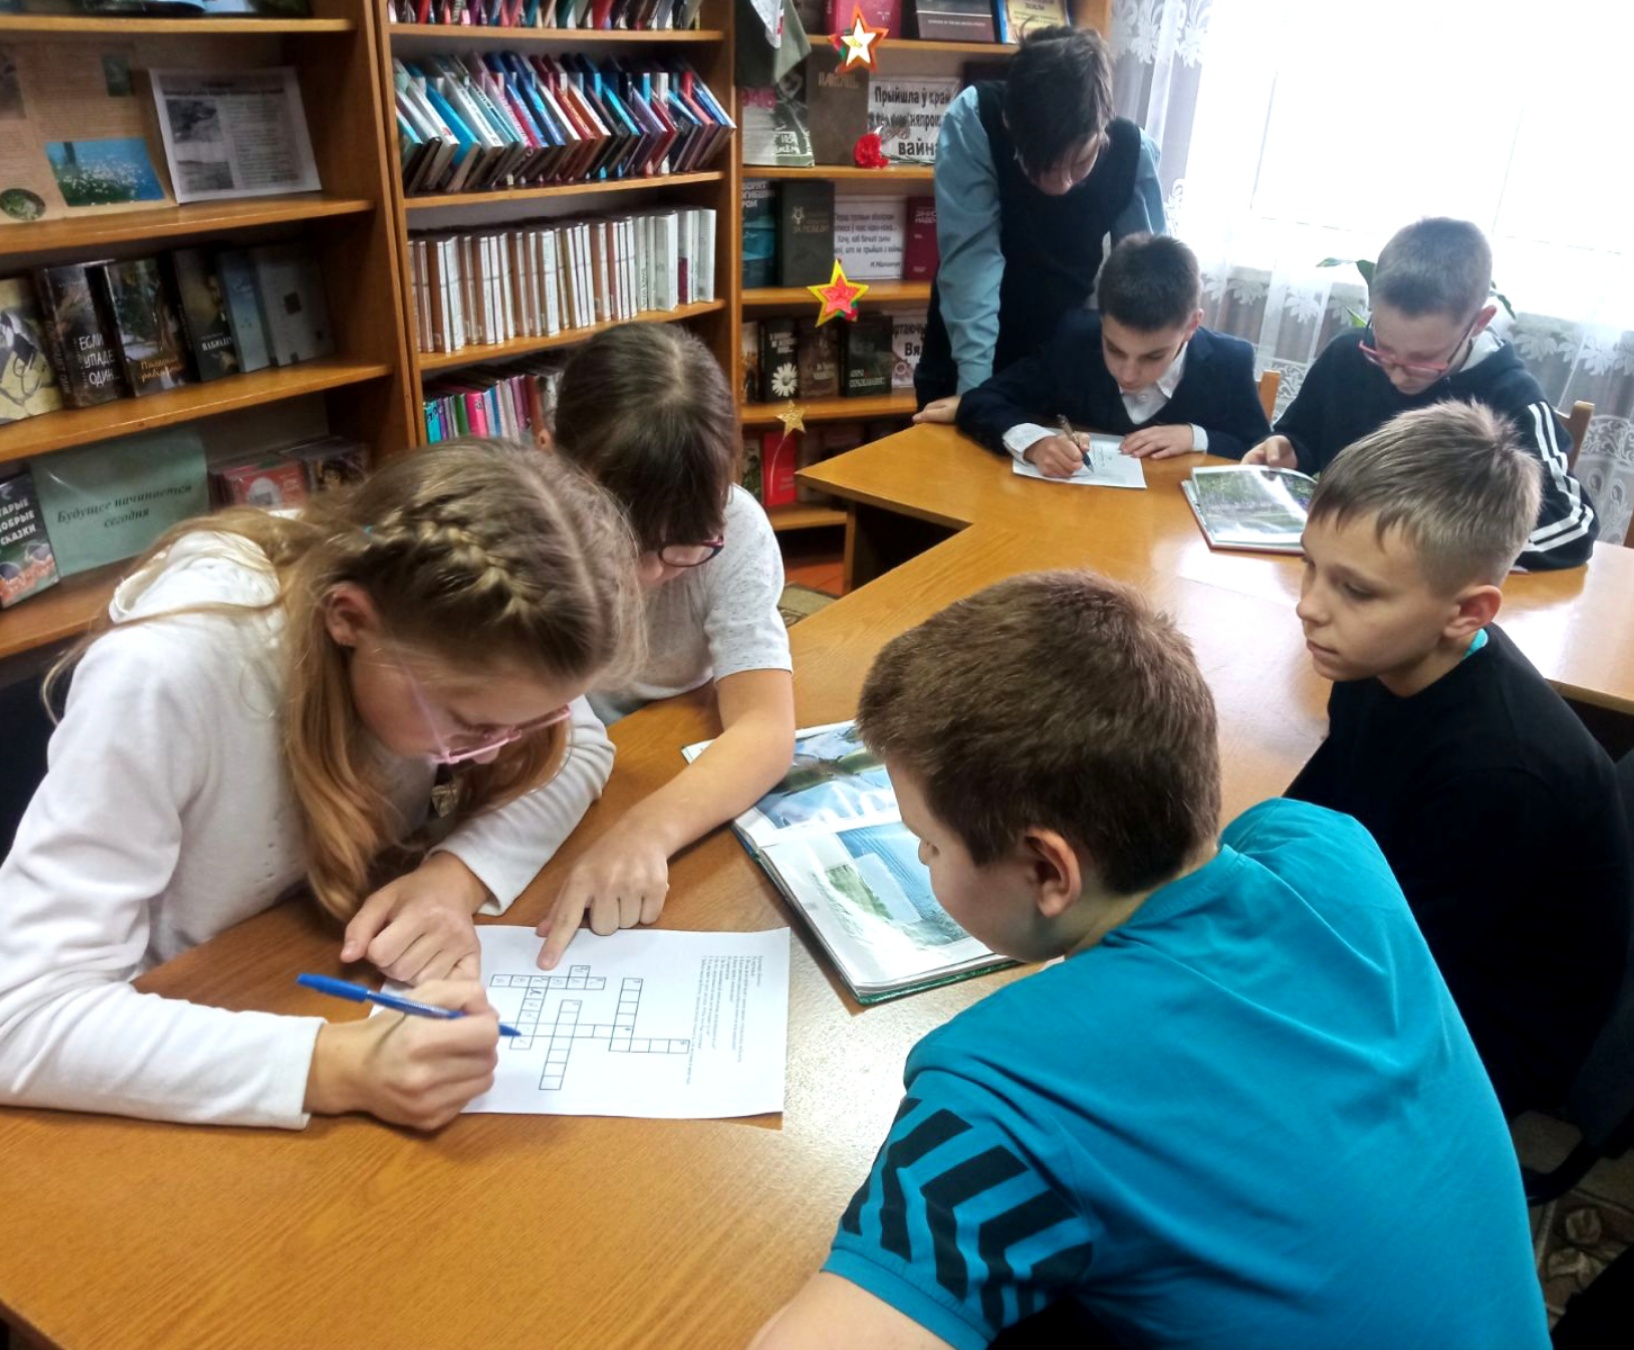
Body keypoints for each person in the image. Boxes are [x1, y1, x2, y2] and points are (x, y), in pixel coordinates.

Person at [752, 571, 1550, 1349]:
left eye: (928, 843)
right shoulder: (1328, 847)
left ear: (1049, 870)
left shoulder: (1007, 1088)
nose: (925, 860)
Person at [0, 440, 644, 1130]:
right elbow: (22, 1015)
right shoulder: (169, 673)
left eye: (526, 722)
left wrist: (455, 877)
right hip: (167, 1045)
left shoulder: (455, 616)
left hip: (282, 963)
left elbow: (579, 748)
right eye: (470, 724)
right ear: (349, 619)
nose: (496, 748)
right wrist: (339, 1065)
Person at [1286, 401, 1630, 1117]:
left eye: (1355, 589)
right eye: (1309, 565)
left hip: (1480, 1035)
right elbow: (1323, 805)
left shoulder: (1500, 775)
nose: (1309, 607)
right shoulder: (1380, 656)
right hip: (1405, 930)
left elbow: (1387, 969)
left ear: (1468, 613)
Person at [535, 323, 796, 966]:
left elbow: (764, 727)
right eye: (620, 538)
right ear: (547, 456)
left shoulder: (736, 530)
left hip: (661, 753)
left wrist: (647, 831)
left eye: (681, 544)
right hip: (550, 763)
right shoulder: (525, 536)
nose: (647, 574)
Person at [1245, 217, 1598, 568]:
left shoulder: (1513, 399)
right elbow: (1302, 437)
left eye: (1423, 360)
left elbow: (1572, 523)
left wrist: (1433, 551)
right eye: (1383, 349)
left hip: (1432, 587)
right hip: (1337, 570)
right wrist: (1288, 449)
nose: (1397, 375)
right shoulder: (1346, 356)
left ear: (1479, 323)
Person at [912, 26, 1166, 420]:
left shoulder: (1133, 153)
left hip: (1064, 358)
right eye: (1041, 166)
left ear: (1102, 128)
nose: (1061, 184)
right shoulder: (977, 119)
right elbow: (972, 267)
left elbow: (1146, 284)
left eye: (1080, 163)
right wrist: (978, 400)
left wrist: (1144, 397)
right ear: (1011, 124)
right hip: (968, 351)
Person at [956, 233, 1270, 477]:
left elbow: (1260, 449)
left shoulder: (1229, 361)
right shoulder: (1075, 340)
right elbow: (981, 400)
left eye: (1152, 357)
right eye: (1115, 349)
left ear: (1191, 326)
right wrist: (1035, 444)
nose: (1127, 374)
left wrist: (1196, 437)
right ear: (1102, 317)